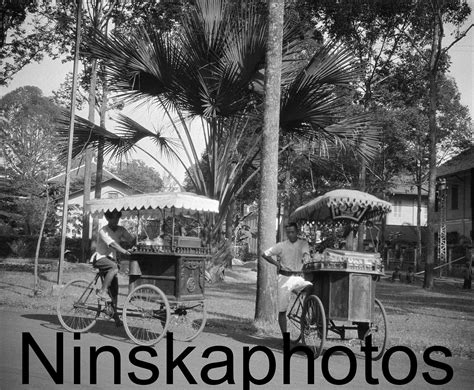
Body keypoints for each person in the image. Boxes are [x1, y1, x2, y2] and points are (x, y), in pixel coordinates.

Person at [262, 222, 311, 338]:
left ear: (297, 232)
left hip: (298, 277)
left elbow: (306, 253)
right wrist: (276, 264)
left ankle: (306, 317)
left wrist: (306, 257)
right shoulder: (281, 245)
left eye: (292, 232)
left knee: (310, 287)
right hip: (284, 278)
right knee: (282, 310)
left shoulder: (303, 243)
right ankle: (285, 338)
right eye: (288, 232)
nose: (290, 234)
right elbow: (265, 254)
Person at [93, 209, 135, 326]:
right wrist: (124, 251)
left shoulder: (121, 230)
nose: (116, 220)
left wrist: (134, 244)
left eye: (117, 218)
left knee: (115, 292)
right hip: (101, 259)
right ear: (107, 218)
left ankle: (115, 316)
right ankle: (102, 292)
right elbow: (112, 244)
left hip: (111, 261)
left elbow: (131, 239)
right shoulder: (103, 231)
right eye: (113, 218)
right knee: (114, 268)